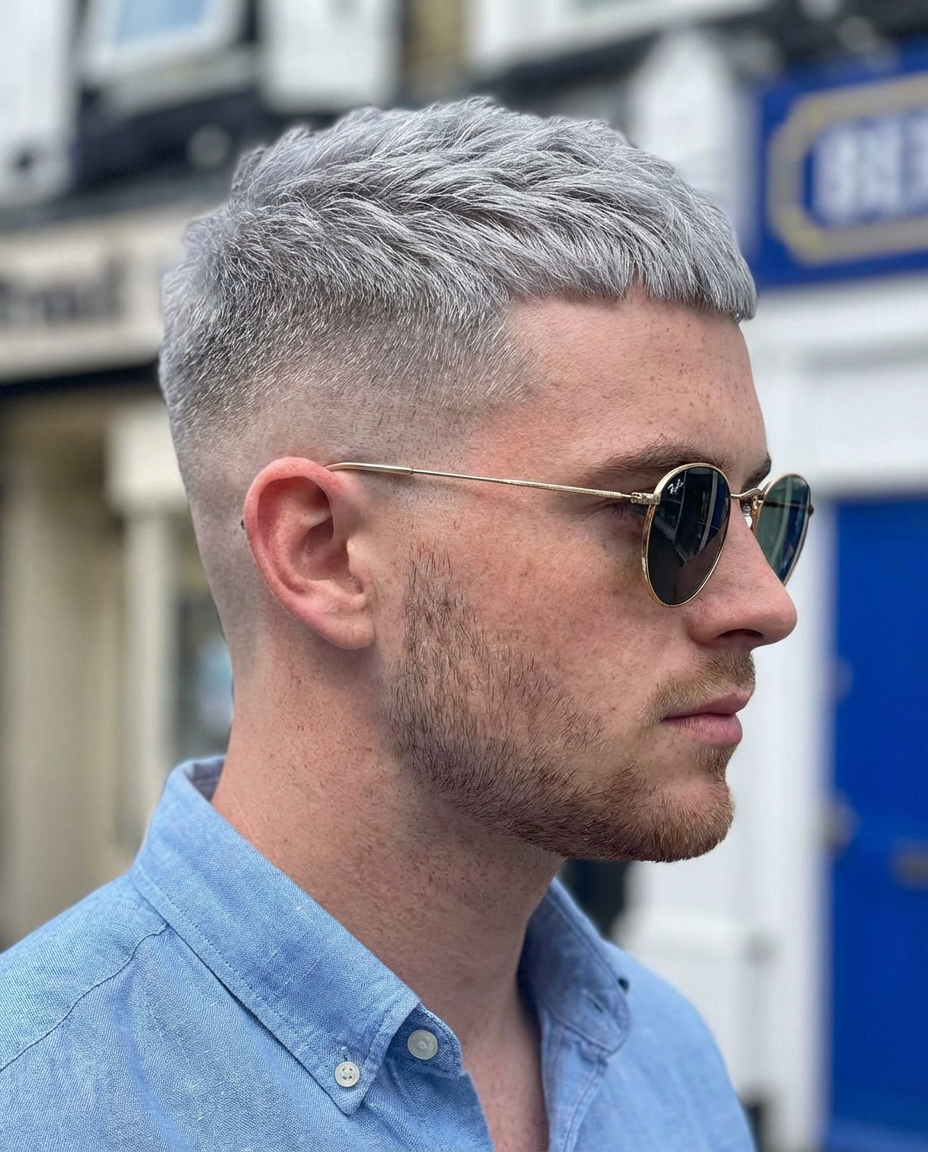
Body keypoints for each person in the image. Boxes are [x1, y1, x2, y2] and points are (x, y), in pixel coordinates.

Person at [0, 99, 812, 1151]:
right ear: (324, 554)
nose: (764, 604)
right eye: (671, 508)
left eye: (760, 510)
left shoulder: (664, 1060)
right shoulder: (40, 1104)